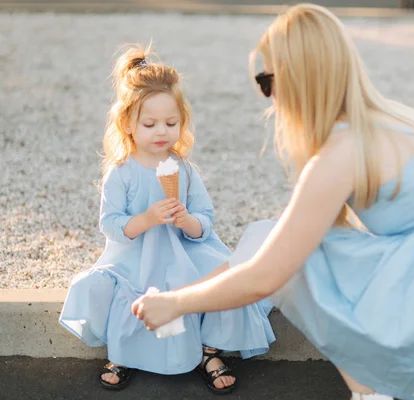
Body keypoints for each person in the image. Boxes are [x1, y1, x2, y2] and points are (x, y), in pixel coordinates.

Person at [132, 4, 414, 399]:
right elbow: (277, 243)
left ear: (298, 80)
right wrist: (180, 296)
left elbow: (266, 274)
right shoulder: (385, 119)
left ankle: (373, 393)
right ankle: (372, 391)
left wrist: (176, 304)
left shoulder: (340, 155)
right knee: (281, 243)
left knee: (294, 265)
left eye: (267, 81)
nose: (267, 97)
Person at [59, 45, 274, 393]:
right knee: (121, 291)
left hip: (182, 250)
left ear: (182, 121)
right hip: (135, 255)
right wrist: (145, 218)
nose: (162, 131)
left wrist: (186, 220)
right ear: (128, 124)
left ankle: (208, 351)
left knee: (220, 279)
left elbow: (206, 220)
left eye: (171, 123)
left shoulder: (184, 171)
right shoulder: (122, 173)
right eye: (150, 123)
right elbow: (111, 224)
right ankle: (123, 353)